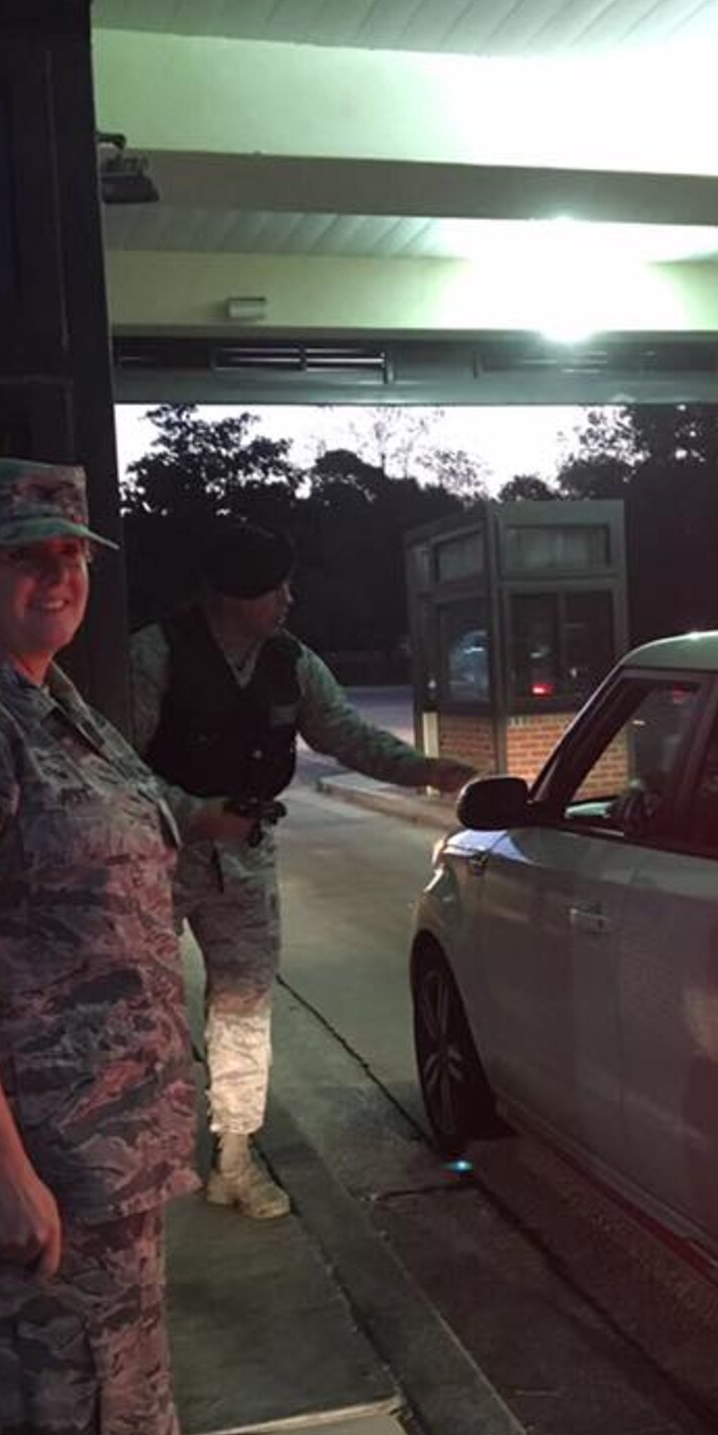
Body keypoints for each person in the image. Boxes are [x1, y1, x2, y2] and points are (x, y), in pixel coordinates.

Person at [0, 458, 251, 1435]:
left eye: (72, 553)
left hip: (107, 1175)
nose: (59, 575)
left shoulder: (63, 711)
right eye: (24, 556)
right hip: (40, 1187)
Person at [130, 520, 476, 1220]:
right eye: (272, 588)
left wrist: (426, 771)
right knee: (142, 1016)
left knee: (244, 1009)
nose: (287, 600)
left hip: (247, 856)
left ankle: (233, 1157)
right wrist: (192, 813)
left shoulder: (290, 660)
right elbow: (113, 769)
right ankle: (143, 1167)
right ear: (229, 594)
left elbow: (342, 731)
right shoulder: (153, 655)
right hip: (153, 859)